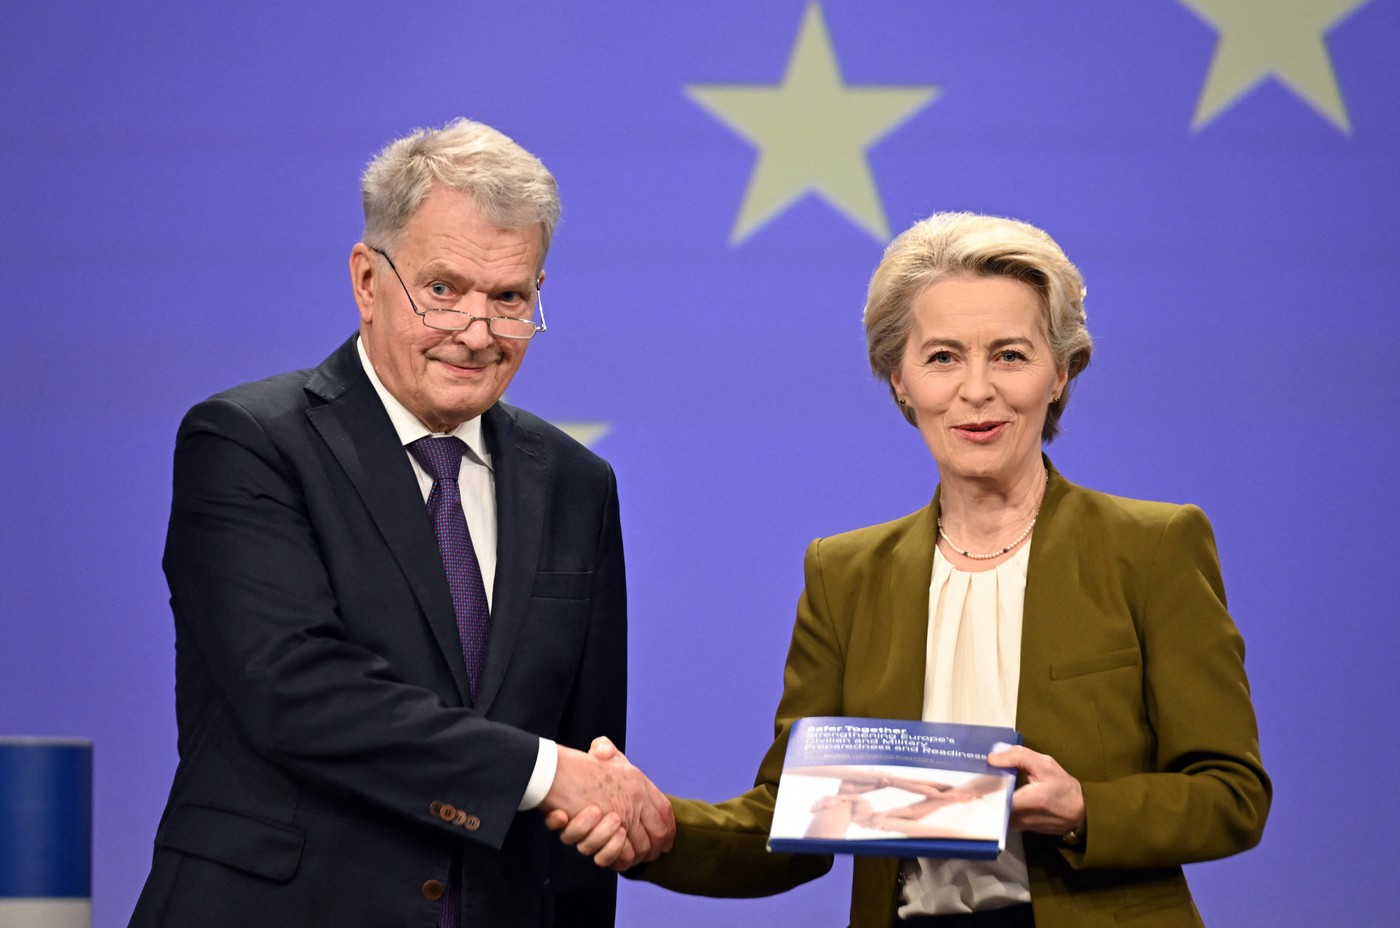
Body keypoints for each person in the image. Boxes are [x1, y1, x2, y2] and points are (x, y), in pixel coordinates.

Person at [552, 212, 1270, 927]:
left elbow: (1231, 794)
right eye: (944, 357)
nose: (977, 389)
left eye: (1011, 355)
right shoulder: (847, 575)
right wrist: (663, 828)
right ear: (900, 380)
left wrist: (1086, 809)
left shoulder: (1151, 547)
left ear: (1060, 372)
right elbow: (796, 822)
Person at [129, 118, 672, 928]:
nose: (477, 332)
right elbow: (296, 690)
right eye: (443, 289)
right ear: (367, 279)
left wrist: (580, 800)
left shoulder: (574, 483)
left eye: (510, 298)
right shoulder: (247, 442)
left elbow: (583, 779)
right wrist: (541, 771)